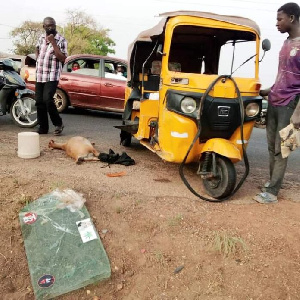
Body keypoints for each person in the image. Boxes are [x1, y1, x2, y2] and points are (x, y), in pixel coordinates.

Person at [253, 2, 300, 204]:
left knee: (284, 148)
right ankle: (272, 183)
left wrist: (298, 113)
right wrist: (268, 91)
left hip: (291, 104)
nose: (277, 23)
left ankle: (272, 192)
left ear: (292, 18)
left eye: (279, 19)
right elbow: (284, 76)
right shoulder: (286, 43)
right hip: (274, 100)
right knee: (272, 147)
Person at [35, 17, 68, 135]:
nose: (51, 28)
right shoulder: (40, 38)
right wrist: (38, 59)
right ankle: (43, 128)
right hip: (40, 74)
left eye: (53, 25)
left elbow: (63, 58)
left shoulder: (61, 40)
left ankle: (58, 123)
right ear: (44, 27)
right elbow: (37, 49)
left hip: (52, 75)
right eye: (48, 26)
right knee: (39, 101)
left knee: (48, 99)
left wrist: (53, 42)